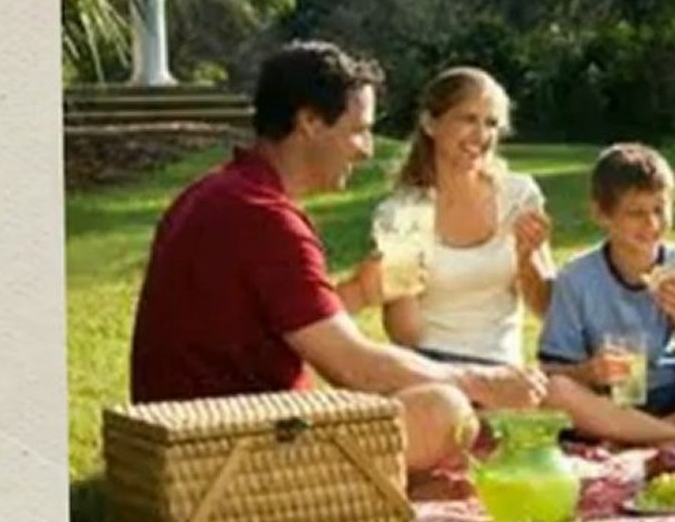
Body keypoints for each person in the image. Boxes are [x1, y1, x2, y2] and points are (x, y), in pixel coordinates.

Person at [129, 41, 546, 474]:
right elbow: (353, 366)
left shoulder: (219, 192)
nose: (366, 148)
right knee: (441, 408)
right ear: (309, 122)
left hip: (194, 438)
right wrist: (486, 383)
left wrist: (365, 290)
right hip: (221, 454)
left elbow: (312, 332)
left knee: (426, 401)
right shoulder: (264, 218)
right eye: (357, 130)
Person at [537, 143, 675, 445]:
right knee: (557, 392)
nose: (652, 224)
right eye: (636, 213)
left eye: (659, 209)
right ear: (602, 214)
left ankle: (634, 437)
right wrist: (591, 371)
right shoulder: (576, 278)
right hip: (608, 403)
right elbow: (550, 372)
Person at [372, 66, 555, 368]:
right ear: (430, 124)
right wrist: (399, 283)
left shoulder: (519, 196)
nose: (482, 135)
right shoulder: (401, 213)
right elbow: (405, 336)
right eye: (468, 119)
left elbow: (545, 307)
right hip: (429, 367)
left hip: (499, 369)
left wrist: (527, 257)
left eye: (491, 123)